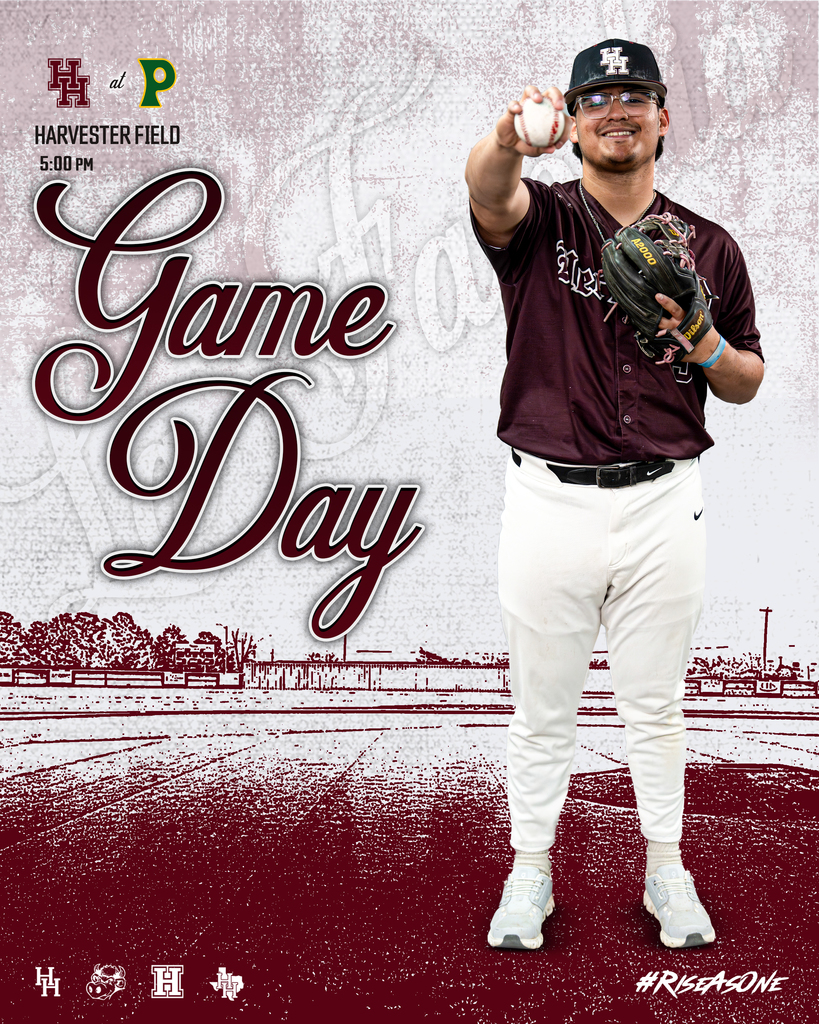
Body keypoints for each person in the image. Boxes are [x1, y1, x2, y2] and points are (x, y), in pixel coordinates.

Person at [465, 39, 764, 950]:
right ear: (575, 120)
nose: (615, 109)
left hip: (662, 503)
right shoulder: (541, 224)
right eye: (595, 97)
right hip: (547, 500)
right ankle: (528, 874)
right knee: (541, 709)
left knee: (656, 706)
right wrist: (510, 137)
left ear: (663, 117)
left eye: (634, 94)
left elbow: (747, 379)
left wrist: (704, 341)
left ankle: (665, 872)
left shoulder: (709, 245)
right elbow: (487, 189)